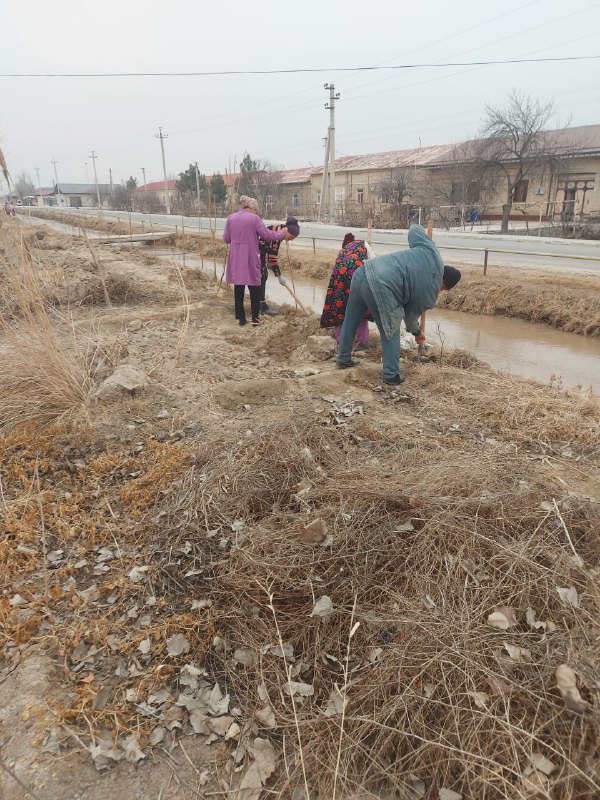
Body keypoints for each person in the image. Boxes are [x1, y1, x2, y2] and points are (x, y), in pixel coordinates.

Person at [336, 224, 461, 385]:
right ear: (445, 285)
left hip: (363, 271)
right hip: (381, 285)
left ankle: (343, 358)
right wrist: (418, 333)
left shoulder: (432, 253)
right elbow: (409, 317)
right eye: (443, 289)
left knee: (351, 320)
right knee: (391, 329)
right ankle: (391, 374)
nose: (441, 291)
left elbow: (414, 230)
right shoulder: (429, 294)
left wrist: (429, 242)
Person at [222, 196, 287, 326]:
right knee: (254, 287)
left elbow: (226, 238)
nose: (257, 213)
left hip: (236, 255)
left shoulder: (231, 218)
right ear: (252, 209)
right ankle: (255, 320)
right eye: (256, 211)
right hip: (250, 255)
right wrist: (282, 233)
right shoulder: (254, 219)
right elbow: (267, 236)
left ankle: (241, 319)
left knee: (238, 286)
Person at [320, 233, 372, 349]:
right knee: (361, 308)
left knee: (340, 308)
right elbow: (374, 264)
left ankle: (340, 339)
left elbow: (336, 270)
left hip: (340, 282)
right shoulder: (363, 244)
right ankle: (361, 341)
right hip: (358, 277)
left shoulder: (342, 251)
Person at [258, 215, 300, 316]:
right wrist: (279, 275)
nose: (290, 240)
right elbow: (272, 256)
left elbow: (271, 253)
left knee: (263, 276)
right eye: (291, 237)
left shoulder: (279, 230)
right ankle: (261, 306)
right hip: (255, 252)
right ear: (287, 231)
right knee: (262, 276)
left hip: (260, 252)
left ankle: (259, 304)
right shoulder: (278, 234)